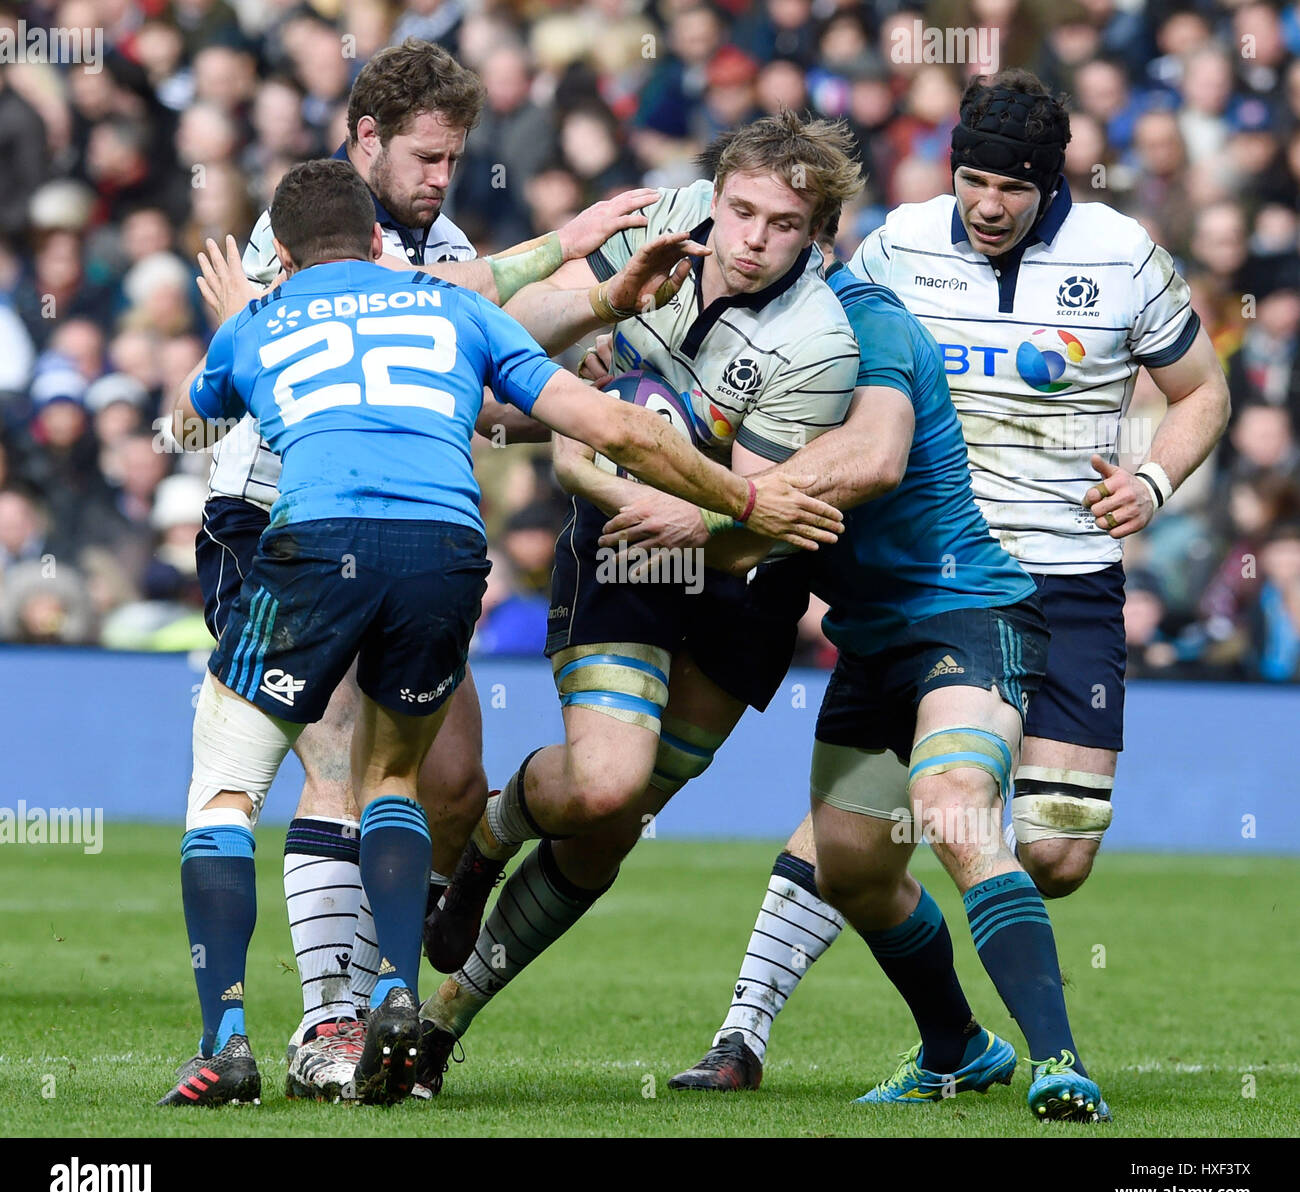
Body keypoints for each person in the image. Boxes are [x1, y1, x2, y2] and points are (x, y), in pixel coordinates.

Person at [157, 157, 842, 1108]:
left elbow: (189, 428)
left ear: (282, 256)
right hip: (444, 556)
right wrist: (749, 496)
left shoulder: (262, 320)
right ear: (372, 244)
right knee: (395, 779)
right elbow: (616, 425)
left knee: (226, 786)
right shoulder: (450, 309)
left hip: (311, 546)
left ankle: (226, 1040)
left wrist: (243, 326)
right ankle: (395, 992)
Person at [672, 68, 1229, 1094]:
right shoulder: (898, 245)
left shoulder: (1122, 258)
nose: (986, 205)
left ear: (1049, 185)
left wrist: (1152, 479)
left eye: (1010, 190)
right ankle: (752, 1030)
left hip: (1065, 578)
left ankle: (947, 989)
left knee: (1053, 854)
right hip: (935, 581)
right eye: (971, 180)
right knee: (920, 810)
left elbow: (1202, 391)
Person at [197, 38, 671, 1097]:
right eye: (422, 156)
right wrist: (572, 254)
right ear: (364, 140)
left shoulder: (439, 236)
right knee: (340, 766)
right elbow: (458, 299)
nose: (438, 177)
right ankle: (333, 1031)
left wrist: (594, 313)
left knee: (447, 785)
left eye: (452, 158)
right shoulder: (307, 227)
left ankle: (382, 1013)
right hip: (281, 517)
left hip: (406, 531)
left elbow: (485, 365)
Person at [415, 111, 868, 1087]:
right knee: (606, 785)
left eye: (779, 224)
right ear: (716, 192)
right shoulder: (670, 218)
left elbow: (755, 511)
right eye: (738, 209)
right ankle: (489, 839)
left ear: (815, 234)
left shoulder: (819, 345)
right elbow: (529, 336)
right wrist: (589, 329)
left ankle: (444, 1018)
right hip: (628, 550)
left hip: (745, 573)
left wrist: (608, 468)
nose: (746, 236)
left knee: (608, 831)